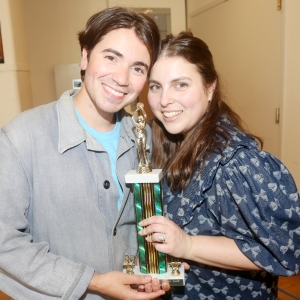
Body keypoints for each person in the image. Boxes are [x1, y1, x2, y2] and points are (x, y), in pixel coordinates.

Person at [0, 6, 169, 300]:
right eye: (111, 57)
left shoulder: (146, 138)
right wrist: (94, 281)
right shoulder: (22, 138)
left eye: (138, 68)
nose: (122, 78)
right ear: (85, 55)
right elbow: (5, 242)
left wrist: (154, 268)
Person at [139, 32, 300, 299]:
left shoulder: (237, 164)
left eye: (180, 85)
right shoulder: (169, 143)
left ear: (210, 88)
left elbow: (285, 251)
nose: (164, 100)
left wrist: (188, 246)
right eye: (155, 86)